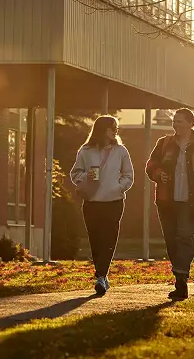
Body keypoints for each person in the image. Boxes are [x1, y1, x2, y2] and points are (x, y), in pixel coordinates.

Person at [146, 108, 194, 301]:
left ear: (190, 123)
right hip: (167, 201)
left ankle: (181, 280)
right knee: (171, 240)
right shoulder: (164, 144)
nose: (175, 124)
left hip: (192, 202)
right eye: (174, 121)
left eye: (179, 121)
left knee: (185, 236)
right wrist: (158, 173)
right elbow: (151, 164)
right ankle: (179, 275)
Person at [70, 115, 134, 296]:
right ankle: (102, 275)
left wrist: (119, 187)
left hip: (114, 202)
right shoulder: (85, 151)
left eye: (116, 128)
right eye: (111, 128)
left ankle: (100, 276)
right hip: (92, 202)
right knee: (96, 240)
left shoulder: (121, 151)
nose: (115, 131)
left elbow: (129, 175)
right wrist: (85, 177)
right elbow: (75, 174)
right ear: (101, 130)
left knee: (109, 239)